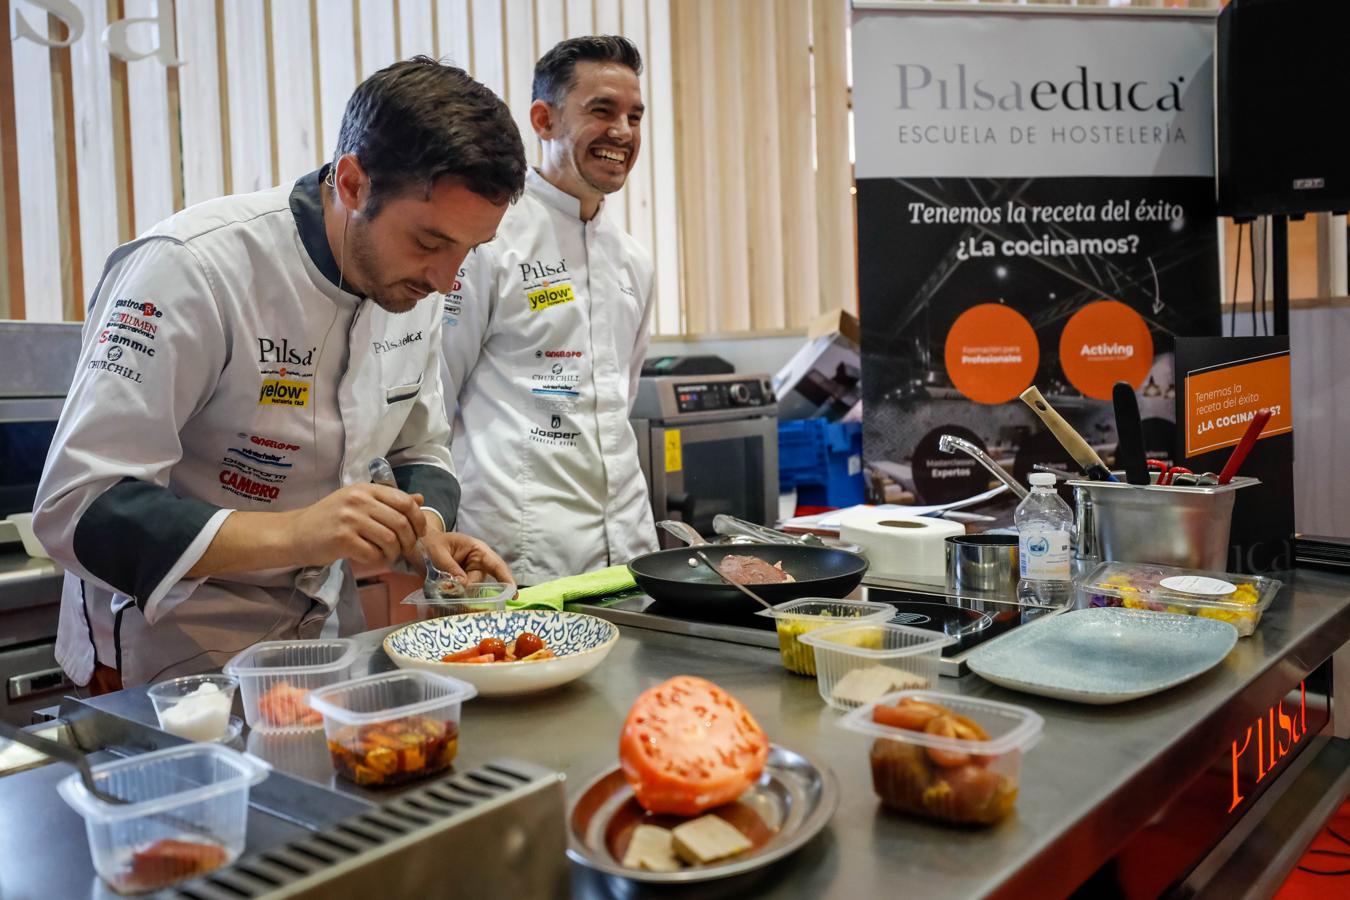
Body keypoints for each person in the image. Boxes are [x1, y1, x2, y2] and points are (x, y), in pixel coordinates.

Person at [33, 57, 525, 690]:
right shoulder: (193, 270)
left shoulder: (412, 286)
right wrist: (299, 532)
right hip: (171, 651)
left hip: (323, 643)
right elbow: (78, 505)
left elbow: (416, 444)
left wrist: (421, 529)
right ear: (352, 184)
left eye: (469, 251)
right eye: (430, 243)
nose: (446, 280)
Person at [440, 36, 659, 585]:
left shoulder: (634, 262)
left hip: (627, 556)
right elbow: (430, 404)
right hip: (514, 558)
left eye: (635, 116)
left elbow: (616, 401)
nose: (623, 133)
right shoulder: (486, 242)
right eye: (602, 111)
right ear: (544, 120)